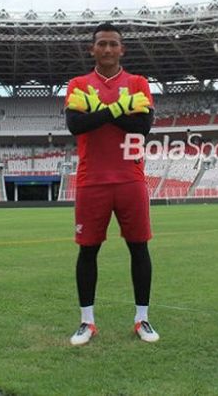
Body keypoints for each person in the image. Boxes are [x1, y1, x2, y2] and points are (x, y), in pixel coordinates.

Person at [64, 22, 159, 346]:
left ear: (122, 49)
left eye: (113, 44)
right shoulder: (77, 82)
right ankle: (87, 322)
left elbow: (143, 125)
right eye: (101, 44)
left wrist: (99, 109)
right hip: (92, 182)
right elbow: (76, 125)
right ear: (92, 49)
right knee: (88, 251)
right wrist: (120, 108)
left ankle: (142, 319)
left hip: (130, 179)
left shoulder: (137, 82)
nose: (107, 49)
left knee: (139, 248)